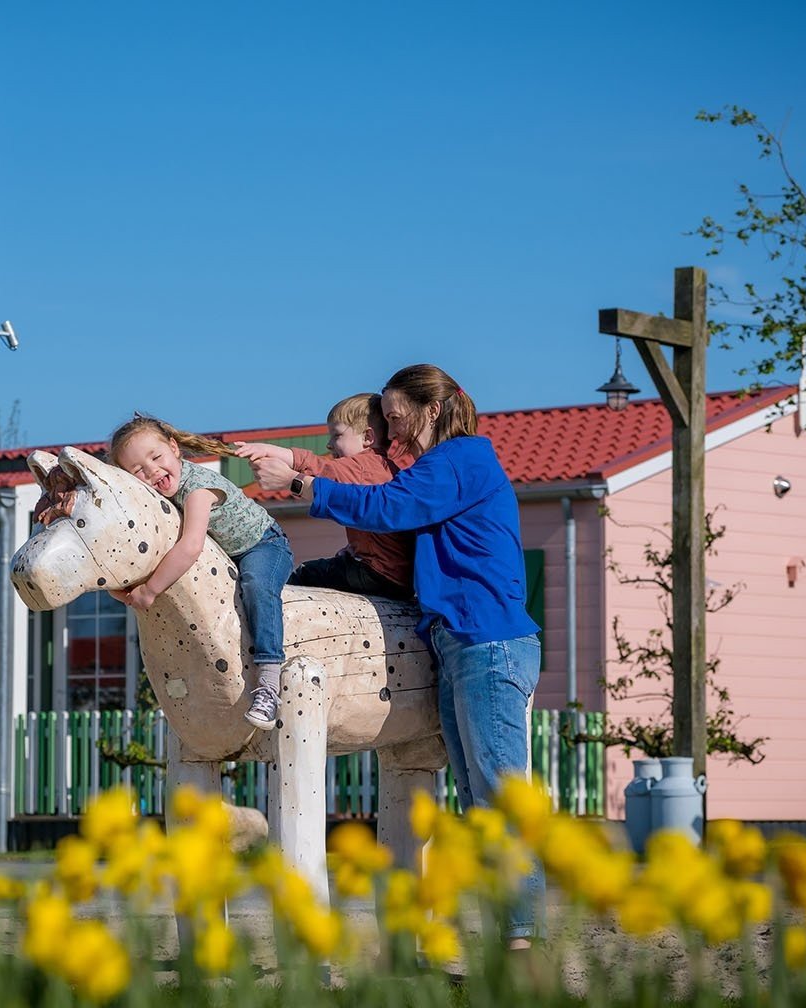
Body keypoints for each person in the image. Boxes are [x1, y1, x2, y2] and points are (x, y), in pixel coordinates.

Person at [246, 365, 543, 948]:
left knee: (498, 793)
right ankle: (509, 929)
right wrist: (292, 460)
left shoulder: (462, 459)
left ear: (430, 411)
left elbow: (388, 508)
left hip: (487, 642)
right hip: (461, 640)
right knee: (478, 792)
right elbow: (369, 482)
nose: (389, 425)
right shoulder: (443, 463)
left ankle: (521, 931)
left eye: (397, 413)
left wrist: (301, 483)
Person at [108, 413, 293, 731]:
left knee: (256, 585)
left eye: (156, 457)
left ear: (174, 448)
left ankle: (268, 683)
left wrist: (151, 590)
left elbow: (190, 547)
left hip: (263, 545)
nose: (153, 470)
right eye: (139, 470)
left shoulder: (197, 488)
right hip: (227, 556)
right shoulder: (159, 500)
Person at [234, 392, 415, 602]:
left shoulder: (363, 465)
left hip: (376, 574)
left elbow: (320, 468)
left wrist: (269, 450)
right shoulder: (385, 469)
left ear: (368, 437)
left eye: (337, 435)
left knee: (304, 575)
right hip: (398, 579)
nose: (329, 444)